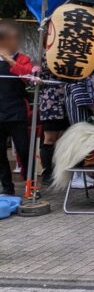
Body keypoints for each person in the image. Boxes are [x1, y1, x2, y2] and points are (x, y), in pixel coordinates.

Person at [0, 23, 33, 194]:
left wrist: (9, 59)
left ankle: (31, 186)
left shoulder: (22, 58)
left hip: (16, 112)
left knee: (24, 150)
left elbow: (27, 76)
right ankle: (7, 187)